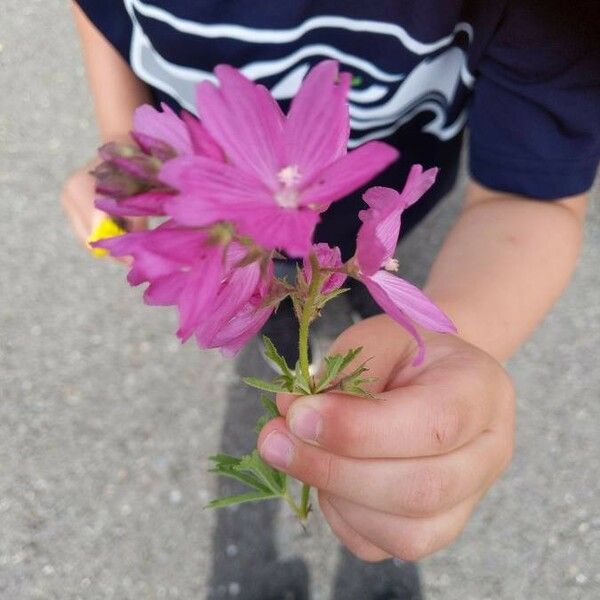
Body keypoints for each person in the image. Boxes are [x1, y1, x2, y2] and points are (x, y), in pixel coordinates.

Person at [61, 1, 599, 598]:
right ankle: (296, 310)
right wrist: (119, 138)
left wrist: (451, 346)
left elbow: (532, 198)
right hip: (243, 229)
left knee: (355, 291)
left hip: (358, 238)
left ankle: (364, 306)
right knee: (279, 302)